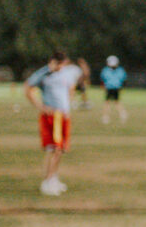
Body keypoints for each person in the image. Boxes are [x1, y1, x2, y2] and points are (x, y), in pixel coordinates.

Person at [24, 50, 90, 195]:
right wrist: (40, 106)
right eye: (59, 64)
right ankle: (47, 182)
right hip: (52, 116)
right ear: (53, 62)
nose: (61, 67)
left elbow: (79, 81)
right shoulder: (44, 74)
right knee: (54, 149)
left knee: (60, 150)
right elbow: (27, 88)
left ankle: (53, 178)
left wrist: (85, 69)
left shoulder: (68, 72)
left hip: (64, 116)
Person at [100, 55, 128, 124]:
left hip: (112, 88)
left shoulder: (106, 70)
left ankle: (106, 116)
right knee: (114, 102)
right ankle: (121, 114)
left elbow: (103, 79)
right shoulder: (119, 70)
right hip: (114, 88)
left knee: (109, 102)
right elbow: (124, 79)